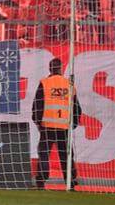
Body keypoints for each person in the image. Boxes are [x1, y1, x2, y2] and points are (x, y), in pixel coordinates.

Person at [32, 57, 81, 190]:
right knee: (66, 156)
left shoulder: (44, 83)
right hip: (64, 127)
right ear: (60, 68)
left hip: (47, 126)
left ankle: (41, 181)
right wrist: (73, 124)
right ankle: (70, 182)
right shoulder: (69, 84)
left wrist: (37, 122)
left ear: (50, 68)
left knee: (43, 154)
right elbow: (76, 107)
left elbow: (37, 105)